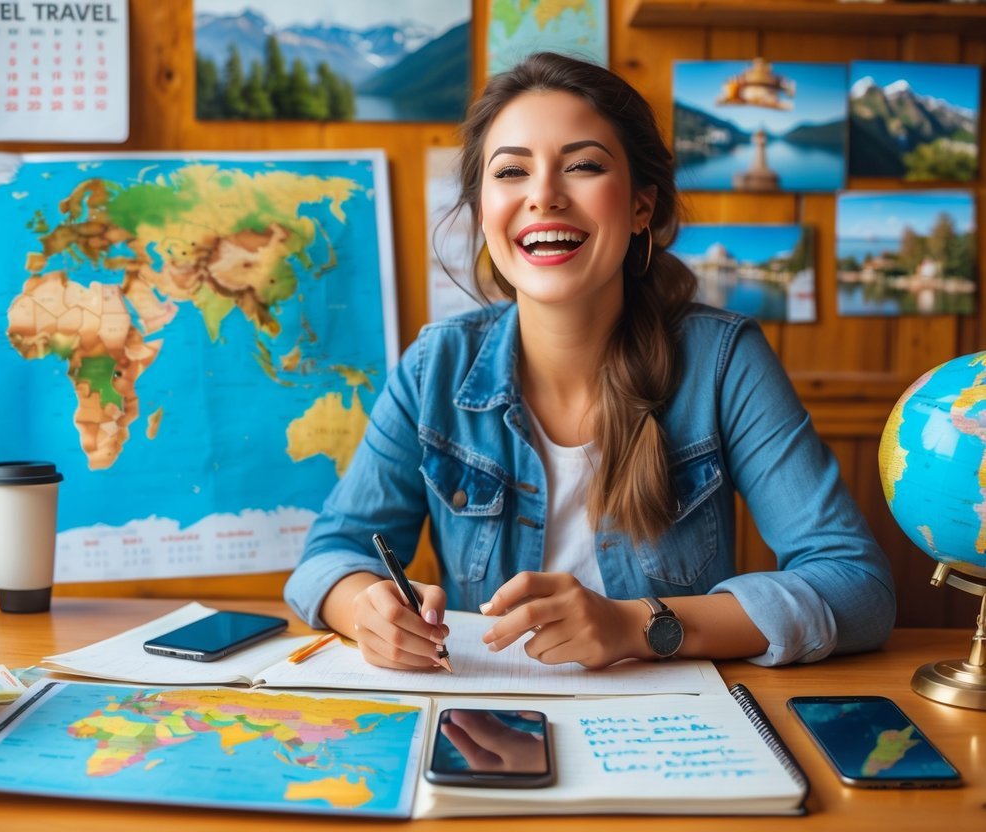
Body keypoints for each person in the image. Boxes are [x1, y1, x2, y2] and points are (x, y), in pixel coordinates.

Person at [283, 52, 895, 671]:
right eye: (511, 172)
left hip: (672, 731)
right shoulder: (433, 366)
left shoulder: (723, 361)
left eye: (582, 166)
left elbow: (857, 587)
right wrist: (365, 610)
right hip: (485, 718)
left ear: (640, 208)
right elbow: (330, 556)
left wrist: (639, 626)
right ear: (481, 211)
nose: (543, 195)